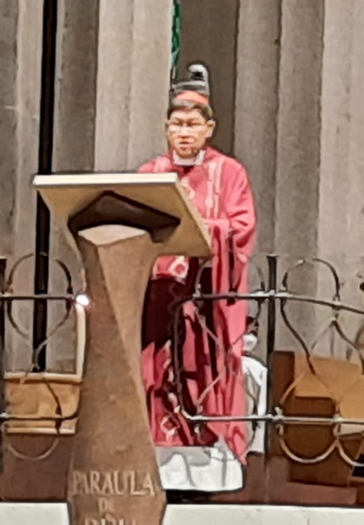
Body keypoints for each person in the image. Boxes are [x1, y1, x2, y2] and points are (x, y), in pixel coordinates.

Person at [140, 64, 257, 492]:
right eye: (176, 123)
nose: (183, 132)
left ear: (209, 128)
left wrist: (205, 227)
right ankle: (157, 462)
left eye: (192, 124)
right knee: (157, 378)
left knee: (199, 379)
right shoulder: (151, 174)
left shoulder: (230, 173)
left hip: (203, 304)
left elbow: (241, 228)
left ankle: (203, 472)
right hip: (157, 302)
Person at [242, 315, 267, 455]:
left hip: (247, 422)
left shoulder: (259, 369)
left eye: (254, 333)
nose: (250, 338)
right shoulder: (223, 364)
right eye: (246, 332)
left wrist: (258, 442)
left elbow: (262, 405)